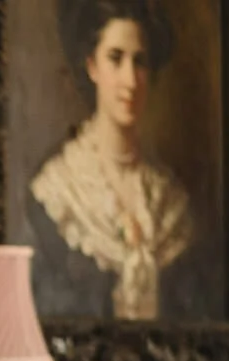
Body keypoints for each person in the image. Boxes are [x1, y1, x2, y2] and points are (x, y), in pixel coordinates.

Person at [27, 0, 194, 321]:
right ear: (92, 66)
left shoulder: (171, 201)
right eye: (115, 59)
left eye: (140, 62)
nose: (130, 80)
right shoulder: (56, 192)